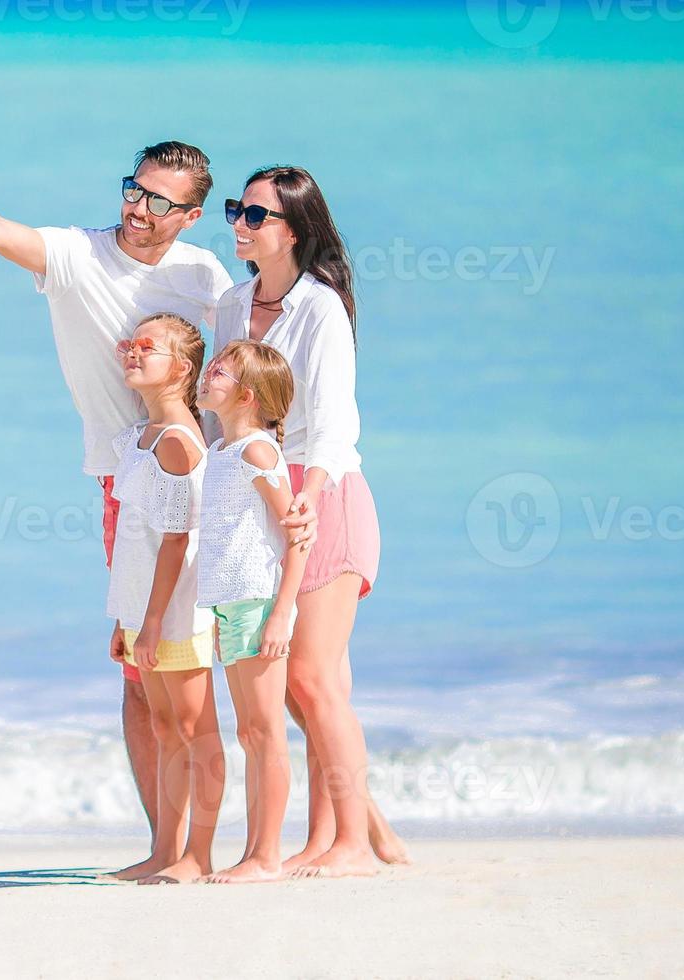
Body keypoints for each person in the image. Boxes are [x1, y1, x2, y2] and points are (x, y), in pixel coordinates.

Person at [0, 142, 234, 843]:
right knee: (142, 669)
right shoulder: (79, 255)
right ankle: (165, 840)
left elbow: (233, 374)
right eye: (134, 190)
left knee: (202, 668)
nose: (139, 209)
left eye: (160, 202)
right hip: (122, 480)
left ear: (191, 216)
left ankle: (209, 846)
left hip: (199, 476)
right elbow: (2, 229)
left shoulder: (205, 276)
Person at [210, 165, 409, 876]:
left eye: (255, 215)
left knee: (315, 681)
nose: (238, 222)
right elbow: (228, 416)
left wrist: (310, 493)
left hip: (323, 496)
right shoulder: (233, 304)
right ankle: (343, 839)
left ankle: (353, 842)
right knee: (300, 685)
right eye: (238, 209)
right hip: (261, 495)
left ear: (293, 229)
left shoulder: (320, 307)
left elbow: (333, 420)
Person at [101, 313, 224, 884]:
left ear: (181, 367)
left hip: (176, 615)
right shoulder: (137, 439)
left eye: (146, 347)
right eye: (129, 343)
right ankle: (165, 851)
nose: (132, 352)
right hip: (142, 613)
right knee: (164, 728)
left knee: (197, 732)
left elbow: (179, 540)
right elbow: (135, 539)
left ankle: (198, 855)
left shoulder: (178, 442)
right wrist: (125, 618)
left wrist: (151, 624)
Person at [190, 340, 305, 884]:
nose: (208, 373)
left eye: (220, 370)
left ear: (248, 396)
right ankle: (256, 852)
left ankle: (267, 856)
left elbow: (297, 536)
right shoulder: (222, 453)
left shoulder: (258, 451)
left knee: (266, 732)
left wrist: (283, 614)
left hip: (260, 603)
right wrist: (217, 613)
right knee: (250, 734)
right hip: (234, 605)